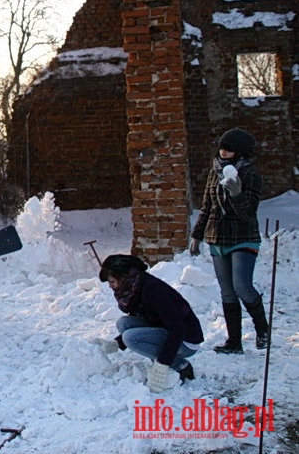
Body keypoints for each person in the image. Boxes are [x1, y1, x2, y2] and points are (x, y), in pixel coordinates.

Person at [189, 127, 268, 353]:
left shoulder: (249, 174)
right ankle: (234, 342)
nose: (223, 152)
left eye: (229, 149)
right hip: (217, 237)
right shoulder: (215, 171)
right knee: (227, 291)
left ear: (240, 152)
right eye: (222, 147)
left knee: (242, 286)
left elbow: (248, 213)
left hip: (243, 237)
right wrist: (197, 234)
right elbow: (207, 207)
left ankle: (262, 330)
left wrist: (236, 194)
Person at [100, 254, 204, 392]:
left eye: (112, 282)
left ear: (124, 278)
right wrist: (117, 343)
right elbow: (149, 318)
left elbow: (178, 328)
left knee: (131, 338)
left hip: (187, 340)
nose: (110, 286)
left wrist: (163, 364)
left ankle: (180, 364)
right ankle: (168, 357)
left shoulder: (153, 290)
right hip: (166, 329)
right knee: (124, 323)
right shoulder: (134, 287)